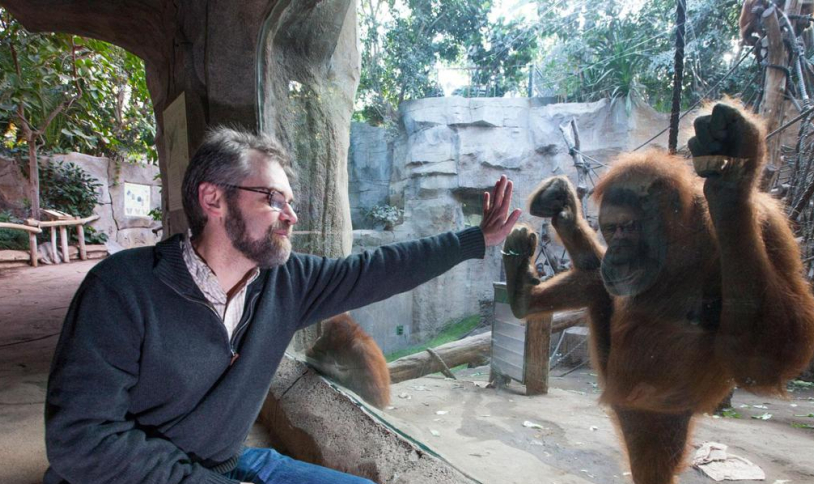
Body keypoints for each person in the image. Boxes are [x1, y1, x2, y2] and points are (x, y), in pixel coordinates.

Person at [42, 127, 521, 484]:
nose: (291, 216)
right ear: (213, 198)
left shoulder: (286, 282)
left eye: (290, 202)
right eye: (273, 198)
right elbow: (82, 440)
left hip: (228, 466)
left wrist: (472, 239)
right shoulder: (120, 288)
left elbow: (379, 268)